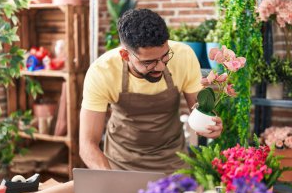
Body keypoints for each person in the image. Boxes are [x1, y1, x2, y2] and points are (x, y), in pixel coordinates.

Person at [79, 9, 222, 173]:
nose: (160, 66)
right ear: (125, 55)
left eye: (165, 56)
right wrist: (109, 177)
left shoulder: (184, 56)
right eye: (149, 62)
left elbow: (199, 110)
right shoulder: (102, 71)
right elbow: (87, 143)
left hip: (172, 161)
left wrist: (209, 125)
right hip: (121, 164)